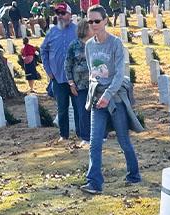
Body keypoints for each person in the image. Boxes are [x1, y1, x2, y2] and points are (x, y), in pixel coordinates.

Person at [80, 4, 142, 195]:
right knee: (95, 141)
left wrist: (108, 96)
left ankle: (134, 174)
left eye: (97, 21)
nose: (93, 24)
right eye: (90, 21)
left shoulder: (115, 43)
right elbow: (92, 72)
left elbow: (119, 75)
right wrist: (96, 91)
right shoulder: (89, 45)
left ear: (105, 21)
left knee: (123, 140)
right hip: (98, 99)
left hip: (115, 99)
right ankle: (94, 182)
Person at [40, 3, 78, 140]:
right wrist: (48, 71)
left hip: (75, 78)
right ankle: (64, 135)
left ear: (70, 15)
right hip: (58, 78)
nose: (60, 16)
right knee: (62, 109)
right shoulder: (52, 32)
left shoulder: (78, 30)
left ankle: (81, 134)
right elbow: (43, 50)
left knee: (78, 107)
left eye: (63, 13)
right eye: (58, 13)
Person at [65, 18, 93, 145]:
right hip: (80, 84)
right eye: (90, 27)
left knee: (97, 110)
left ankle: (100, 134)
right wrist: (71, 83)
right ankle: (86, 137)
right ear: (84, 29)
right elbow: (68, 65)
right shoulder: (74, 45)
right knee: (83, 111)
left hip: (95, 83)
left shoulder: (95, 43)